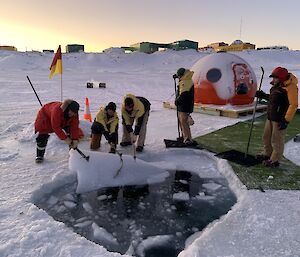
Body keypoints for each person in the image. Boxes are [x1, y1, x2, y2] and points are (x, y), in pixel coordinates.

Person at [255, 67, 295, 167]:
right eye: (273, 77)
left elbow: (293, 105)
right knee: (266, 137)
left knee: (277, 140)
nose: (274, 79)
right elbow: (274, 99)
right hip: (270, 116)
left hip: (280, 118)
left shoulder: (291, 87)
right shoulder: (275, 86)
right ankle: (267, 153)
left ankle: (275, 160)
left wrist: (286, 120)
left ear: (281, 78)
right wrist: (263, 95)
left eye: (276, 77)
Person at [174, 67, 195, 145]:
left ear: (182, 75)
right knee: (181, 121)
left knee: (184, 122)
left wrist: (178, 101)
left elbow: (184, 95)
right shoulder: (185, 79)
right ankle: (184, 136)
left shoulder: (186, 82)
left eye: (179, 76)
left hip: (185, 105)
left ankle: (188, 139)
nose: (178, 77)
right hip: (182, 105)